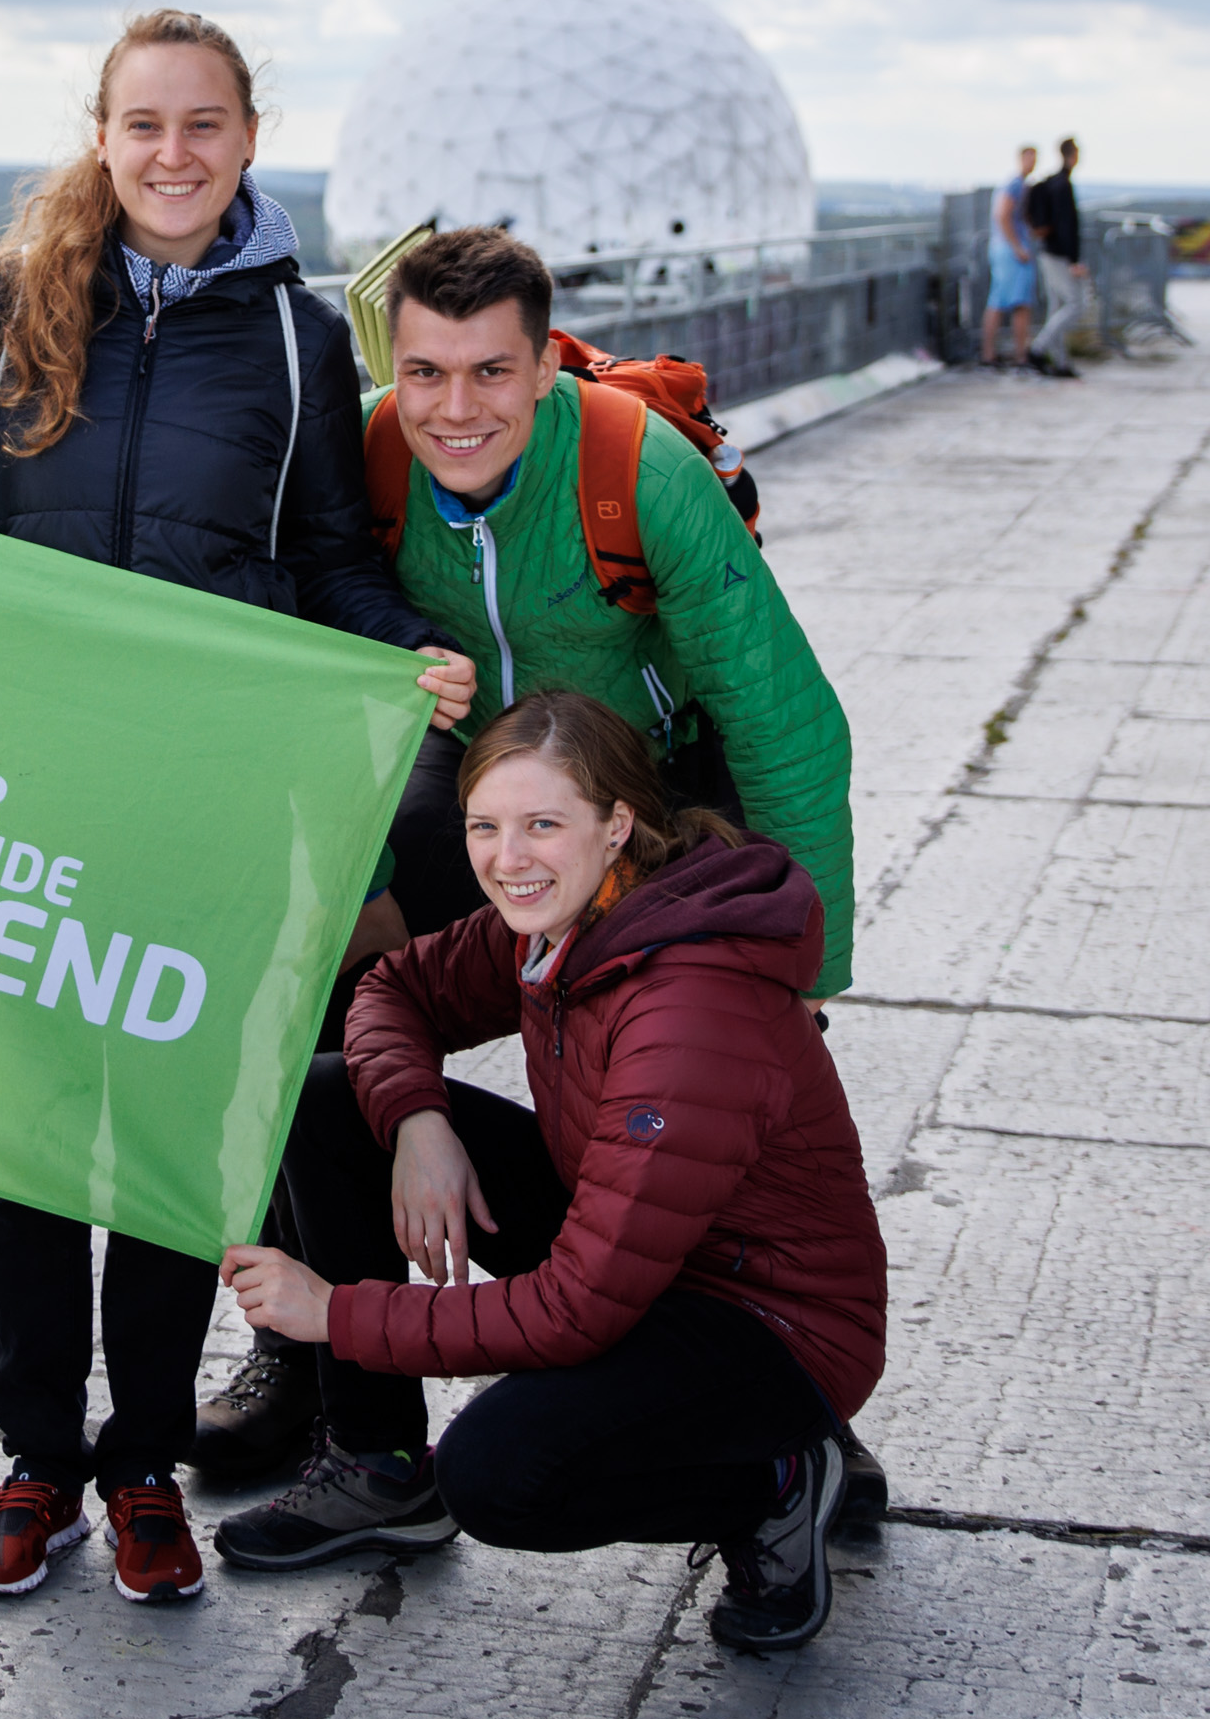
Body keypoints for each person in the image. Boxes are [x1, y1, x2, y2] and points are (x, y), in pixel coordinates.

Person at [0, 7, 473, 1605]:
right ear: (101, 133)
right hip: (22, 806)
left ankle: (141, 1464)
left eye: (204, 125)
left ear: (249, 141)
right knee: (29, 1149)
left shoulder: (292, 341)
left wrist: (396, 647)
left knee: (158, 1150)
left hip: (201, 813)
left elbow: (326, 554)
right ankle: (35, 1463)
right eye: (144, 125)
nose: (173, 155)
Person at [189, 223, 857, 1484]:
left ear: (545, 364)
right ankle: (323, 1377)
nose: (456, 409)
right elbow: (316, 661)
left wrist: (804, 963)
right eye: (427, 373)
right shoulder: (375, 449)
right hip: (479, 784)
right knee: (309, 1022)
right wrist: (373, 887)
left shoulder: (635, 470)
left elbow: (785, 721)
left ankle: (783, 1398)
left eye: (492, 372)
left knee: (698, 1098)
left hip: (648, 790)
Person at [212, 690, 886, 1654]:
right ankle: (383, 1468)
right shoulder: (568, 920)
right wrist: (416, 1121)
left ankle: (772, 1486)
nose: (507, 858)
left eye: (542, 825)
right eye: (486, 826)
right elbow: (393, 987)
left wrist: (334, 1313)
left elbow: (575, 1313)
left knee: (502, 1473)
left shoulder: (688, 1008)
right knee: (329, 1104)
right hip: (636, 1245)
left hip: (768, 1323)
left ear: (618, 826)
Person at [1026, 135, 1087, 380]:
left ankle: (1061, 363)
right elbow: (1066, 226)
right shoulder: (1063, 185)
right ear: (1072, 154)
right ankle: (1037, 350)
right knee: (1075, 304)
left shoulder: (1053, 182)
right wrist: (1074, 260)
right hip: (1058, 255)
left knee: (1056, 308)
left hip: (1047, 252)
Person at [982, 145, 1040, 371]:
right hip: (1011, 250)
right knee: (1016, 303)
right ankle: (1018, 356)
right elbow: (1002, 215)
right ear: (1021, 159)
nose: (1032, 163)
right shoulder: (1015, 184)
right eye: (1030, 158)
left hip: (1006, 248)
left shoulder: (1019, 184)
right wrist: (1017, 246)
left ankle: (993, 354)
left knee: (1002, 301)